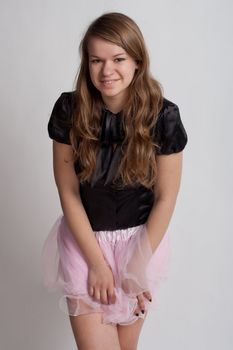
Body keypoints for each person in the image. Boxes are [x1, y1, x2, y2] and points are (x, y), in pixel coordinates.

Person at [41, 11, 188, 350]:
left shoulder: (164, 116)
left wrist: (137, 266)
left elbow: (166, 196)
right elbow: (68, 190)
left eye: (118, 58)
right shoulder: (69, 110)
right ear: (86, 63)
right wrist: (96, 263)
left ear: (137, 61)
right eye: (96, 60)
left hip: (140, 242)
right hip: (84, 242)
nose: (107, 71)